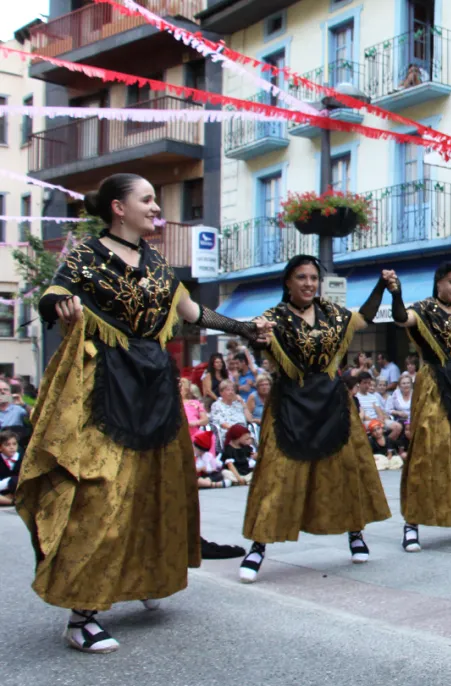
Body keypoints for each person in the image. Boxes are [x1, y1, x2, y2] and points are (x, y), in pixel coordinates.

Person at [15, 173, 268, 653]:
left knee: (155, 489)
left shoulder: (156, 260)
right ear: (118, 207)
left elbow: (192, 311)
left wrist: (245, 326)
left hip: (155, 383)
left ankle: (146, 575)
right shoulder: (89, 254)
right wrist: (64, 307)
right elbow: (51, 295)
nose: (156, 207)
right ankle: (82, 614)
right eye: (147, 199)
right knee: (101, 492)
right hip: (107, 384)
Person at [238, 254, 391, 584]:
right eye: (301, 277)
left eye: (313, 278)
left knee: (347, 470)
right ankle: (258, 546)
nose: (308, 283)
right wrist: (256, 337)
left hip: (332, 401)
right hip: (289, 402)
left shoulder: (334, 315)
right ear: (288, 282)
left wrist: (381, 286)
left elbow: (363, 318)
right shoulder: (272, 317)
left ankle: (355, 533)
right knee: (276, 475)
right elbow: (256, 339)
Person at [384, 262, 451, 552]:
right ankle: (412, 524)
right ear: (439, 283)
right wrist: (395, 294)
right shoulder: (424, 308)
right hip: (434, 384)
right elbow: (401, 318)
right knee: (427, 450)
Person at [209, 380, 247, 444]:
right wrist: (237, 431)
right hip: (228, 433)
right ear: (221, 393)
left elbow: (249, 419)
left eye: (232, 390)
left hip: (244, 433)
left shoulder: (238, 404)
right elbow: (222, 423)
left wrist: (243, 403)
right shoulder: (216, 405)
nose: (231, 392)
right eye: (228, 390)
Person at [0, 429, 20, 506]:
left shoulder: (22, 458)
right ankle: (12, 501)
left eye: (14, 444)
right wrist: (7, 482)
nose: (12, 447)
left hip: (17, 490)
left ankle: (12, 499)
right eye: (7, 445)